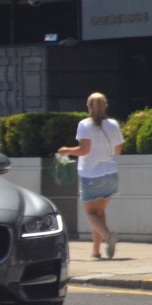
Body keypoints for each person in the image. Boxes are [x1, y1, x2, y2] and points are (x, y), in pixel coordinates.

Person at [57, 92, 124, 259]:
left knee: (91, 214)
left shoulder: (84, 125)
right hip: (110, 173)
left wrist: (66, 150)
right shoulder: (113, 124)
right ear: (105, 106)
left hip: (90, 174)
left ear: (88, 107)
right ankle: (96, 251)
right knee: (99, 213)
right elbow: (118, 150)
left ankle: (108, 237)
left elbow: (84, 150)